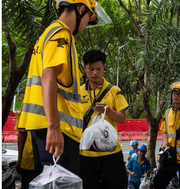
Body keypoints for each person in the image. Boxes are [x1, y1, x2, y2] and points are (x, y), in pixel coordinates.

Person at [16, 0, 110, 177]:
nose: (86, 24)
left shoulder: (48, 34)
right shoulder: (61, 34)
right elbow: (48, 77)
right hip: (56, 131)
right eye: (88, 18)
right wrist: (53, 127)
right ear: (81, 9)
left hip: (45, 129)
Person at [79, 49, 129, 189]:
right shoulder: (78, 92)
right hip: (86, 152)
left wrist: (108, 110)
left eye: (98, 69)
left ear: (104, 67)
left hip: (110, 151)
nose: (95, 73)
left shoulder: (114, 91)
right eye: (91, 69)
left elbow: (122, 118)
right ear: (85, 68)